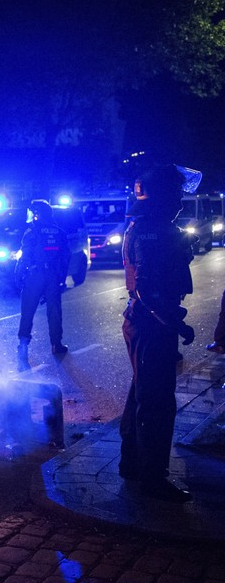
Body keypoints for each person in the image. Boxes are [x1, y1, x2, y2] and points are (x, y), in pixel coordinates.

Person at [119, 164, 197, 503]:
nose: (180, 199)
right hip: (151, 324)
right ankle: (152, 478)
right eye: (176, 193)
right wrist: (173, 323)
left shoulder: (153, 226)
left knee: (141, 392)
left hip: (149, 322)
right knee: (157, 401)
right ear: (163, 195)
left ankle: (131, 462)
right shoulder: (152, 230)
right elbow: (146, 288)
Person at [15, 200, 71, 371]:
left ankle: (23, 347)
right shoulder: (59, 232)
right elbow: (65, 257)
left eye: (32, 213)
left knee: (28, 311)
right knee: (54, 311)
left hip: (35, 275)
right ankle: (56, 344)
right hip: (53, 276)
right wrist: (61, 278)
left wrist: (18, 274)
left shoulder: (32, 232)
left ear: (37, 214)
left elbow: (24, 256)